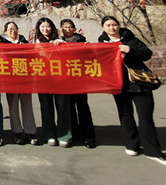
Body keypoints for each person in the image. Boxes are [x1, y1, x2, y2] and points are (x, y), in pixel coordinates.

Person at [98, 15, 166, 165]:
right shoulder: (102, 44)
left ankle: (152, 150)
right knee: (125, 115)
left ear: (118, 25)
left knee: (145, 117)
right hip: (119, 84)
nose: (112, 27)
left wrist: (130, 50)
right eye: (108, 25)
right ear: (103, 27)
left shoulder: (130, 39)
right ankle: (131, 145)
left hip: (140, 83)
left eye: (114, 24)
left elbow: (146, 53)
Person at [34, 17, 72, 148]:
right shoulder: (35, 42)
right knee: (46, 107)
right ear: (38, 29)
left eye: (48, 26)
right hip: (43, 79)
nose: (46, 29)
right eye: (43, 27)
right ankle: (49, 134)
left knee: (63, 107)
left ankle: (64, 135)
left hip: (60, 78)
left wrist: (61, 44)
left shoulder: (60, 40)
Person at [0, 21, 38, 145]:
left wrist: (25, 48)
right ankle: (17, 132)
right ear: (5, 31)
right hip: (10, 79)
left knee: (27, 105)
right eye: (10, 29)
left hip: (25, 79)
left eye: (15, 28)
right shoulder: (1, 44)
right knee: (13, 105)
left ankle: (30, 132)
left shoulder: (24, 42)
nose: (13, 31)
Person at [60, 18, 96, 149]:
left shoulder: (81, 41)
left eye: (70, 27)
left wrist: (88, 48)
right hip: (65, 79)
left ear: (75, 29)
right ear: (61, 29)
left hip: (79, 79)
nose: (67, 29)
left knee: (82, 107)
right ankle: (74, 134)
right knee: (69, 108)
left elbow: (91, 57)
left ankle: (88, 137)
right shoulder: (58, 41)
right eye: (65, 27)